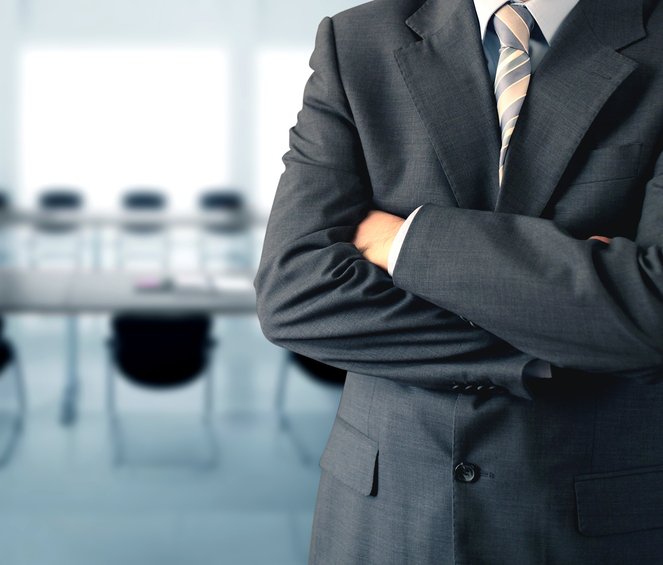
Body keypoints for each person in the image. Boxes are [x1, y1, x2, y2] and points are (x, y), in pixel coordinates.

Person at [254, 0, 663, 562]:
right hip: (385, 516)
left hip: (594, 523)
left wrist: (403, 243)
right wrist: (565, 329)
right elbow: (294, 294)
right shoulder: (356, 39)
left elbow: (650, 311)